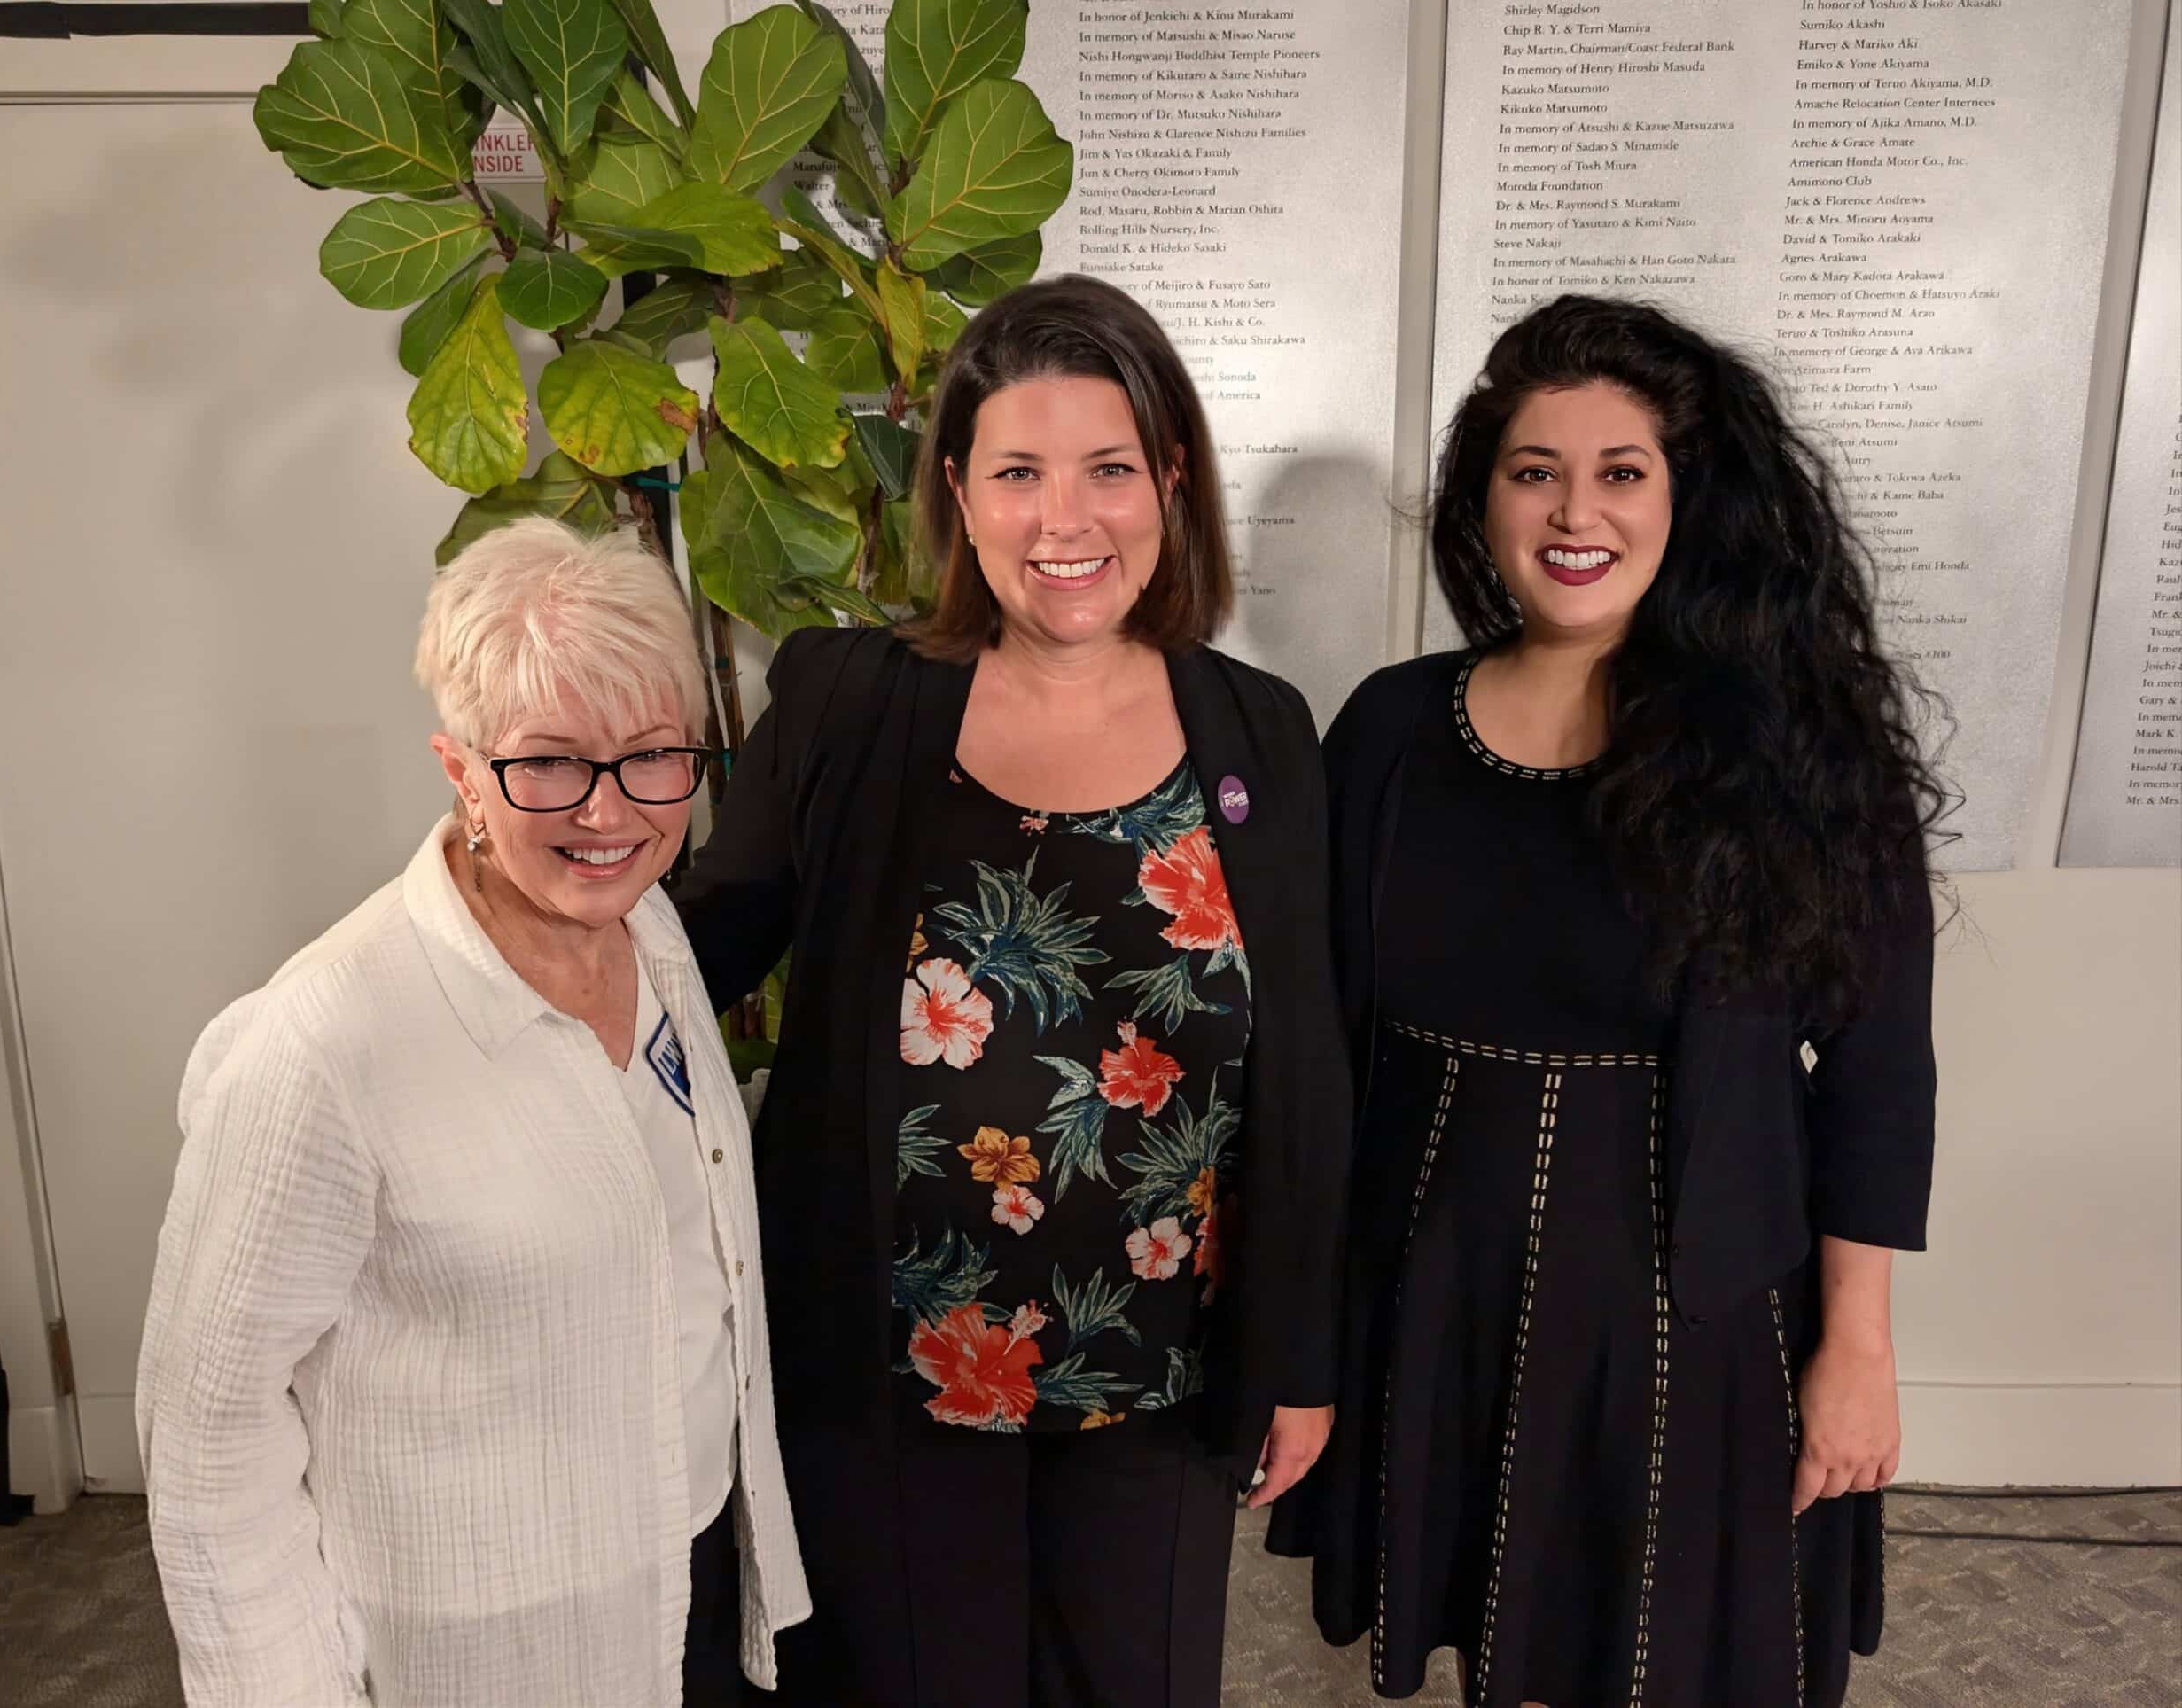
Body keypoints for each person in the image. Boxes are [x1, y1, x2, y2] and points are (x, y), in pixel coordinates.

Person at [672, 273, 1351, 1706]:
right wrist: (519, 895)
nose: (1065, 519)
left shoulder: (1262, 735)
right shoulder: (855, 705)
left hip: (1160, 1377)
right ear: (961, 496)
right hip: (895, 1369)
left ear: (1169, 481)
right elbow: (703, 943)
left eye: (1108, 469)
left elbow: (1305, 1073)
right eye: (1019, 472)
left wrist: (1298, 1353)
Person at [1269, 294, 1945, 1707]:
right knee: (1506, 1653)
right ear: (1487, 498)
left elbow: (1879, 1071)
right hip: (1436, 1291)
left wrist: (1858, 1349)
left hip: (1698, 1306)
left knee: (1675, 1661)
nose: (1577, 511)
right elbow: (1314, 1046)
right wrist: (1301, 1333)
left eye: (1622, 471)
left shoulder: (1797, 747)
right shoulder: (1393, 726)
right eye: (1536, 471)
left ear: (1690, 499)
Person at [136, 518, 808, 1706]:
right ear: (462, 769)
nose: (609, 815)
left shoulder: (649, 937)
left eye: (653, 756)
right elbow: (207, 1432)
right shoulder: (325, 1043)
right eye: (549, 762)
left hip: (689, 1570)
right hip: (488, 1647)